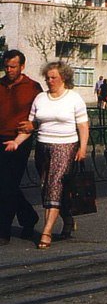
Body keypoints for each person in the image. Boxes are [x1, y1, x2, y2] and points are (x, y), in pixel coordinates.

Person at [4, 61, 89, 249]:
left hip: (65, 146)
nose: (50, 81)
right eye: (47, 78)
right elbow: (30, 125)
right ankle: (67, 218)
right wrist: (16, 142)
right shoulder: (41, 98)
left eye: (53, 78)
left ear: (63, 78)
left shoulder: (73, 98)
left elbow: (83, 126)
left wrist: (82, 149)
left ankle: (46, 232)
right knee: (46, 188)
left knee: (55, 185)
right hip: (43, 146)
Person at [0, 50, 42, 244]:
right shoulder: (0, 85)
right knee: (6, 184)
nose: (9, 70)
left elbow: (44, 113)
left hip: (19, 140)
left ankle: (4, 231)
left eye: (13, 67)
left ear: (22, 67)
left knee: (7, 184)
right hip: (0, 137)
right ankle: (29, 217)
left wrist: (34, 125)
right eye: (6, 66)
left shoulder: (33, 87)